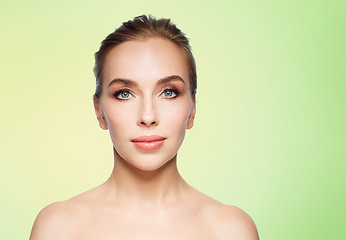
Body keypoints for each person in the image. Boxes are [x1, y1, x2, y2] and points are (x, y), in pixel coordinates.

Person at [30, 15, 259, 240]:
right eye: (124, 93)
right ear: (99, 110)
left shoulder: (230, 230)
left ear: (192, 108)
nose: (147, 116)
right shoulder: (59, 228)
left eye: (169, 92)